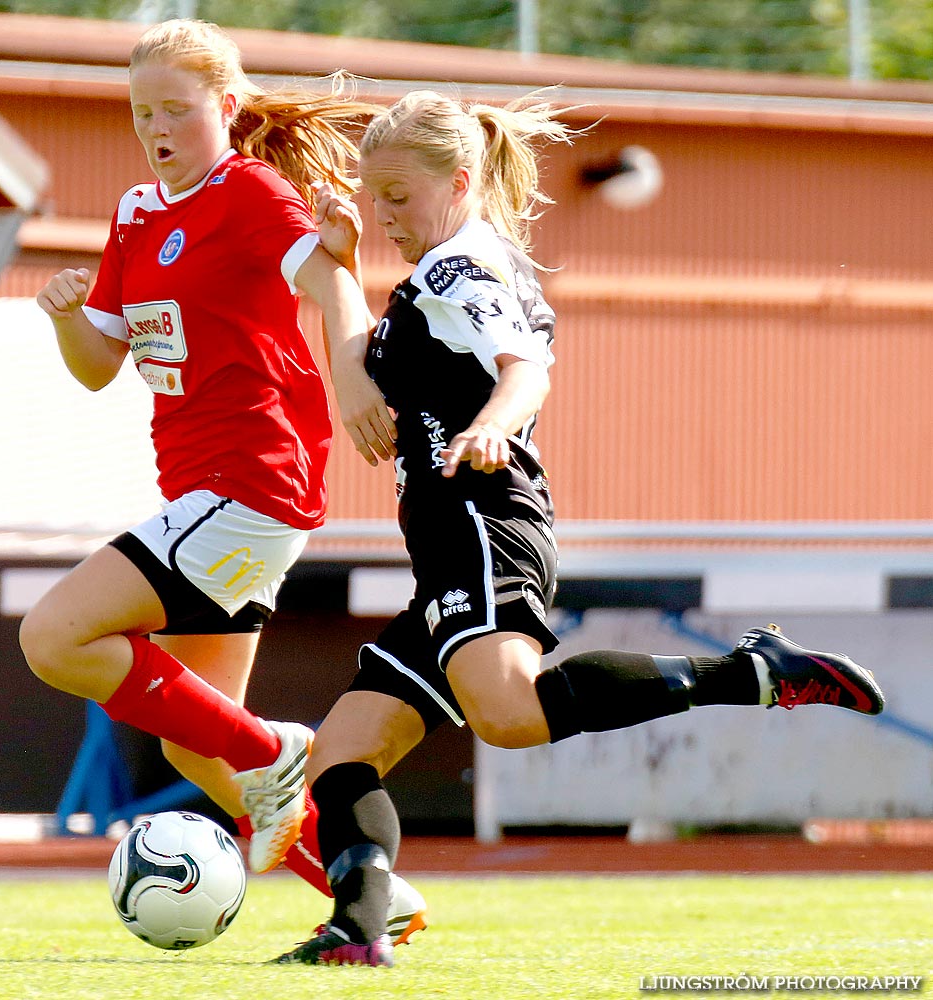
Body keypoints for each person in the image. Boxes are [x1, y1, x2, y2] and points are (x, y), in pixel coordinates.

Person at [274, 90, 886, 967]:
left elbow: (525, 371)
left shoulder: (460, 271)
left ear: (458, 181)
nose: (385, 215)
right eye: (375, 197)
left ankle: (753, 672)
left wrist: (494, 421)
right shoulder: (441, 271)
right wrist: (340, 269)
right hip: (447, 543)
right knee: (340, 753)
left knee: (511, 714)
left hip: (482, 519)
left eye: (398, 197)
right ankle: (357, 932)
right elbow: (362, 359)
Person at [19, 18, 426, 943]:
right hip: (202, 494)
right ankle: (372, 901)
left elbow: (327, 281)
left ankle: (273, 750)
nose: (156, 127)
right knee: (188, 741)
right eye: (140, 112)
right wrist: (62, 316)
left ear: (227, 108)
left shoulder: (250, 193)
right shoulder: (137, 212)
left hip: (251, 483)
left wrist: (353, 358)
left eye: (175, 109)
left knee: (53, 636)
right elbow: (98, 364)